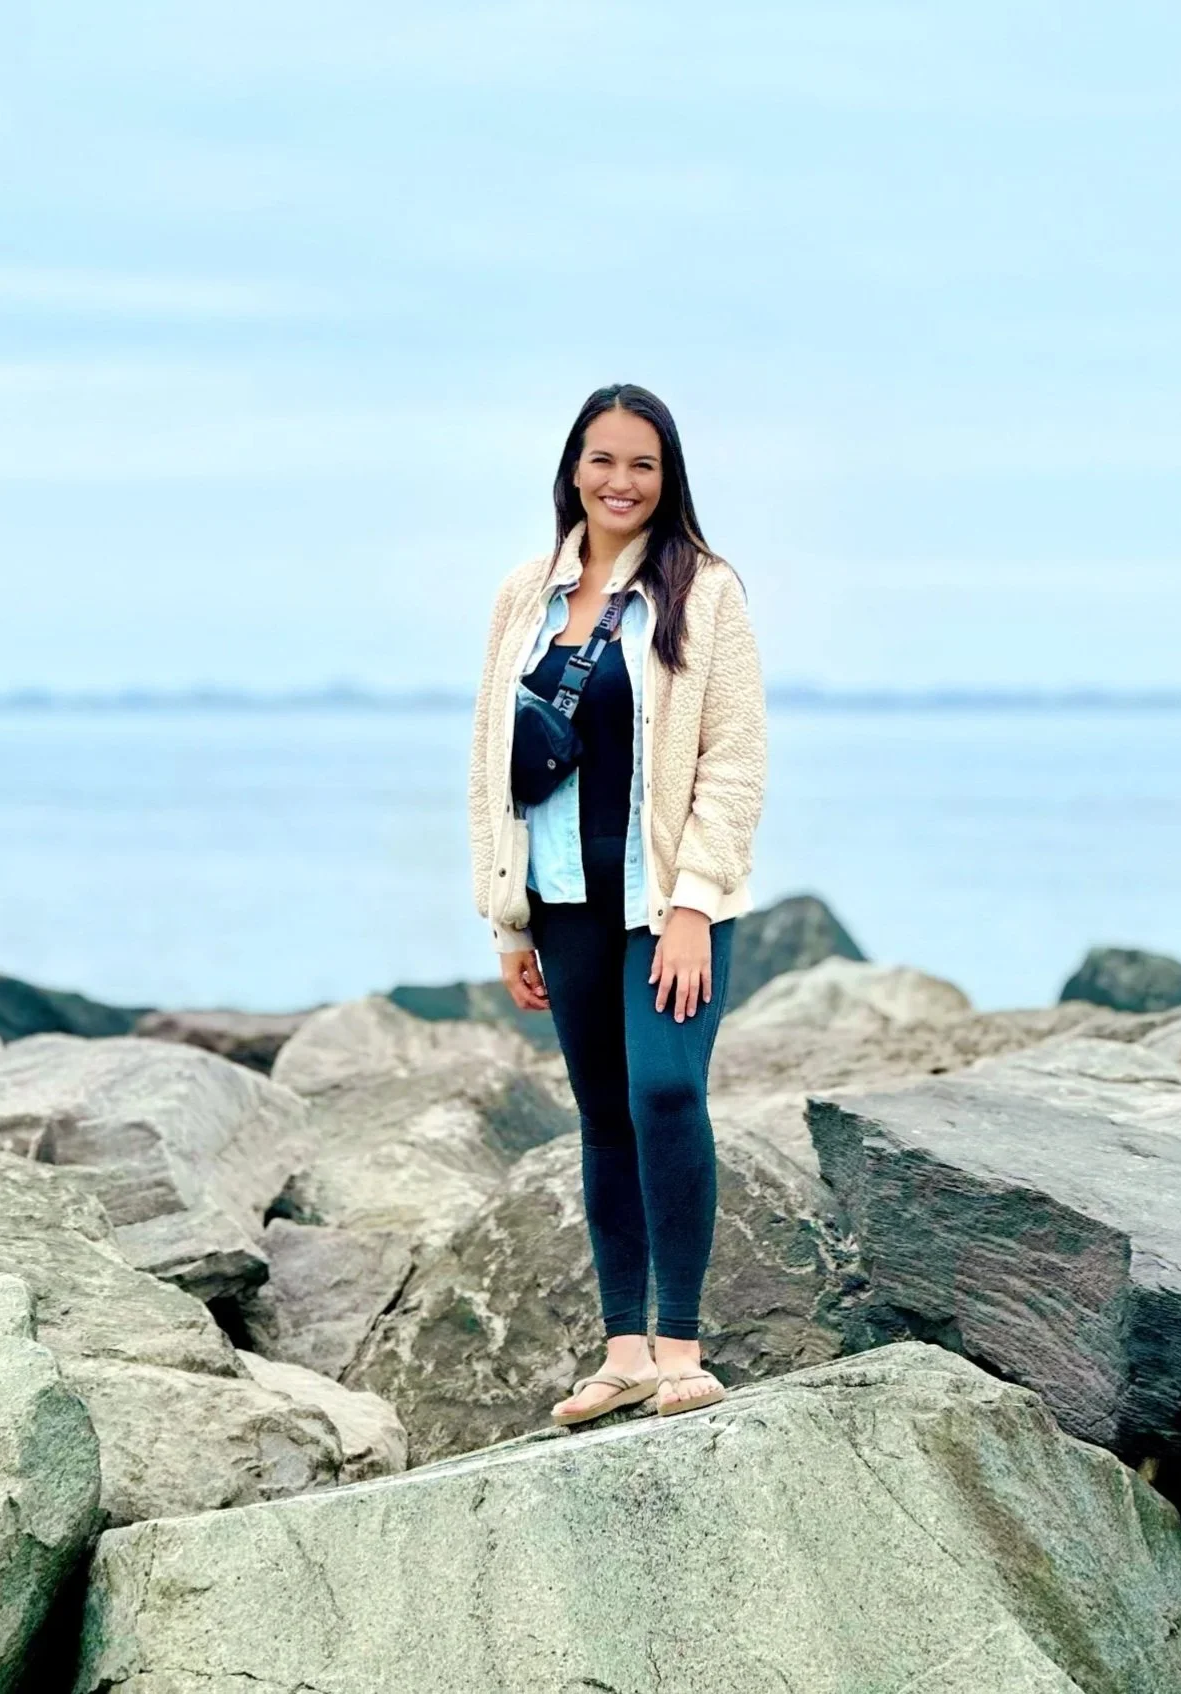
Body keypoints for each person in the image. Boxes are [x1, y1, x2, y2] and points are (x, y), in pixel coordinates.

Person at [467, 382, 767, 1423]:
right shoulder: (523, 596)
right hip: (562, 898)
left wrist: (691, 903)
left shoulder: (703, 590)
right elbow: (489, 761)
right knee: (601, 1115)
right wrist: (507, 917)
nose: (619, 481)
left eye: (641, 463)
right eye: (602, 459)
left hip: (665, 900)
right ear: (571, 469)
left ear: (666, 476)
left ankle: (681, 1342)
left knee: (665, 1094)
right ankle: (624, 1349)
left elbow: (732, 761)